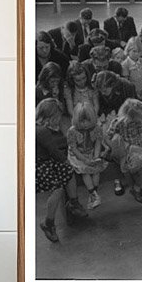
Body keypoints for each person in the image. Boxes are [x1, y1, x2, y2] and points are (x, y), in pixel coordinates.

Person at [34, 98, 83, 242]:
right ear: (50, 116)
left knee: (69, 173)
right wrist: (67, 161)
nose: (59, 120)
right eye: (57, 117)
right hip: (40, 166)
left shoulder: (44, 128)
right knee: (58, 189)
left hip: (48, 162)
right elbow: (53, 150)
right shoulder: (42, 131)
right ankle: (48, 223)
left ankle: (73, 202)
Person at [106, 97, 142, 202]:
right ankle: (132, 186)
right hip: (124, 150)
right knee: (125, 168)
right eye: (139, 117)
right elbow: (108, 136)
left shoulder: (139, 122)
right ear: (130, 116)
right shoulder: (117, 123)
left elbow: (141, 133)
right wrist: (114, 147)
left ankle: (137, 188)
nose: (141, 119)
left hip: (138, 147)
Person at [66, 102, 109, 210]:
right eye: (82, 121)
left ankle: (93, 195)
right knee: (84, 170)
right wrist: (84, 159)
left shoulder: (97, 128)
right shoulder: (72, 131)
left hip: (91, 151)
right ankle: (93, 194)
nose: (85, 124)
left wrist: (95, 157)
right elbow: (74, 148)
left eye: (88, 121)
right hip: (77, 155)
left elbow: (98, 143)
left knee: (96, 168)